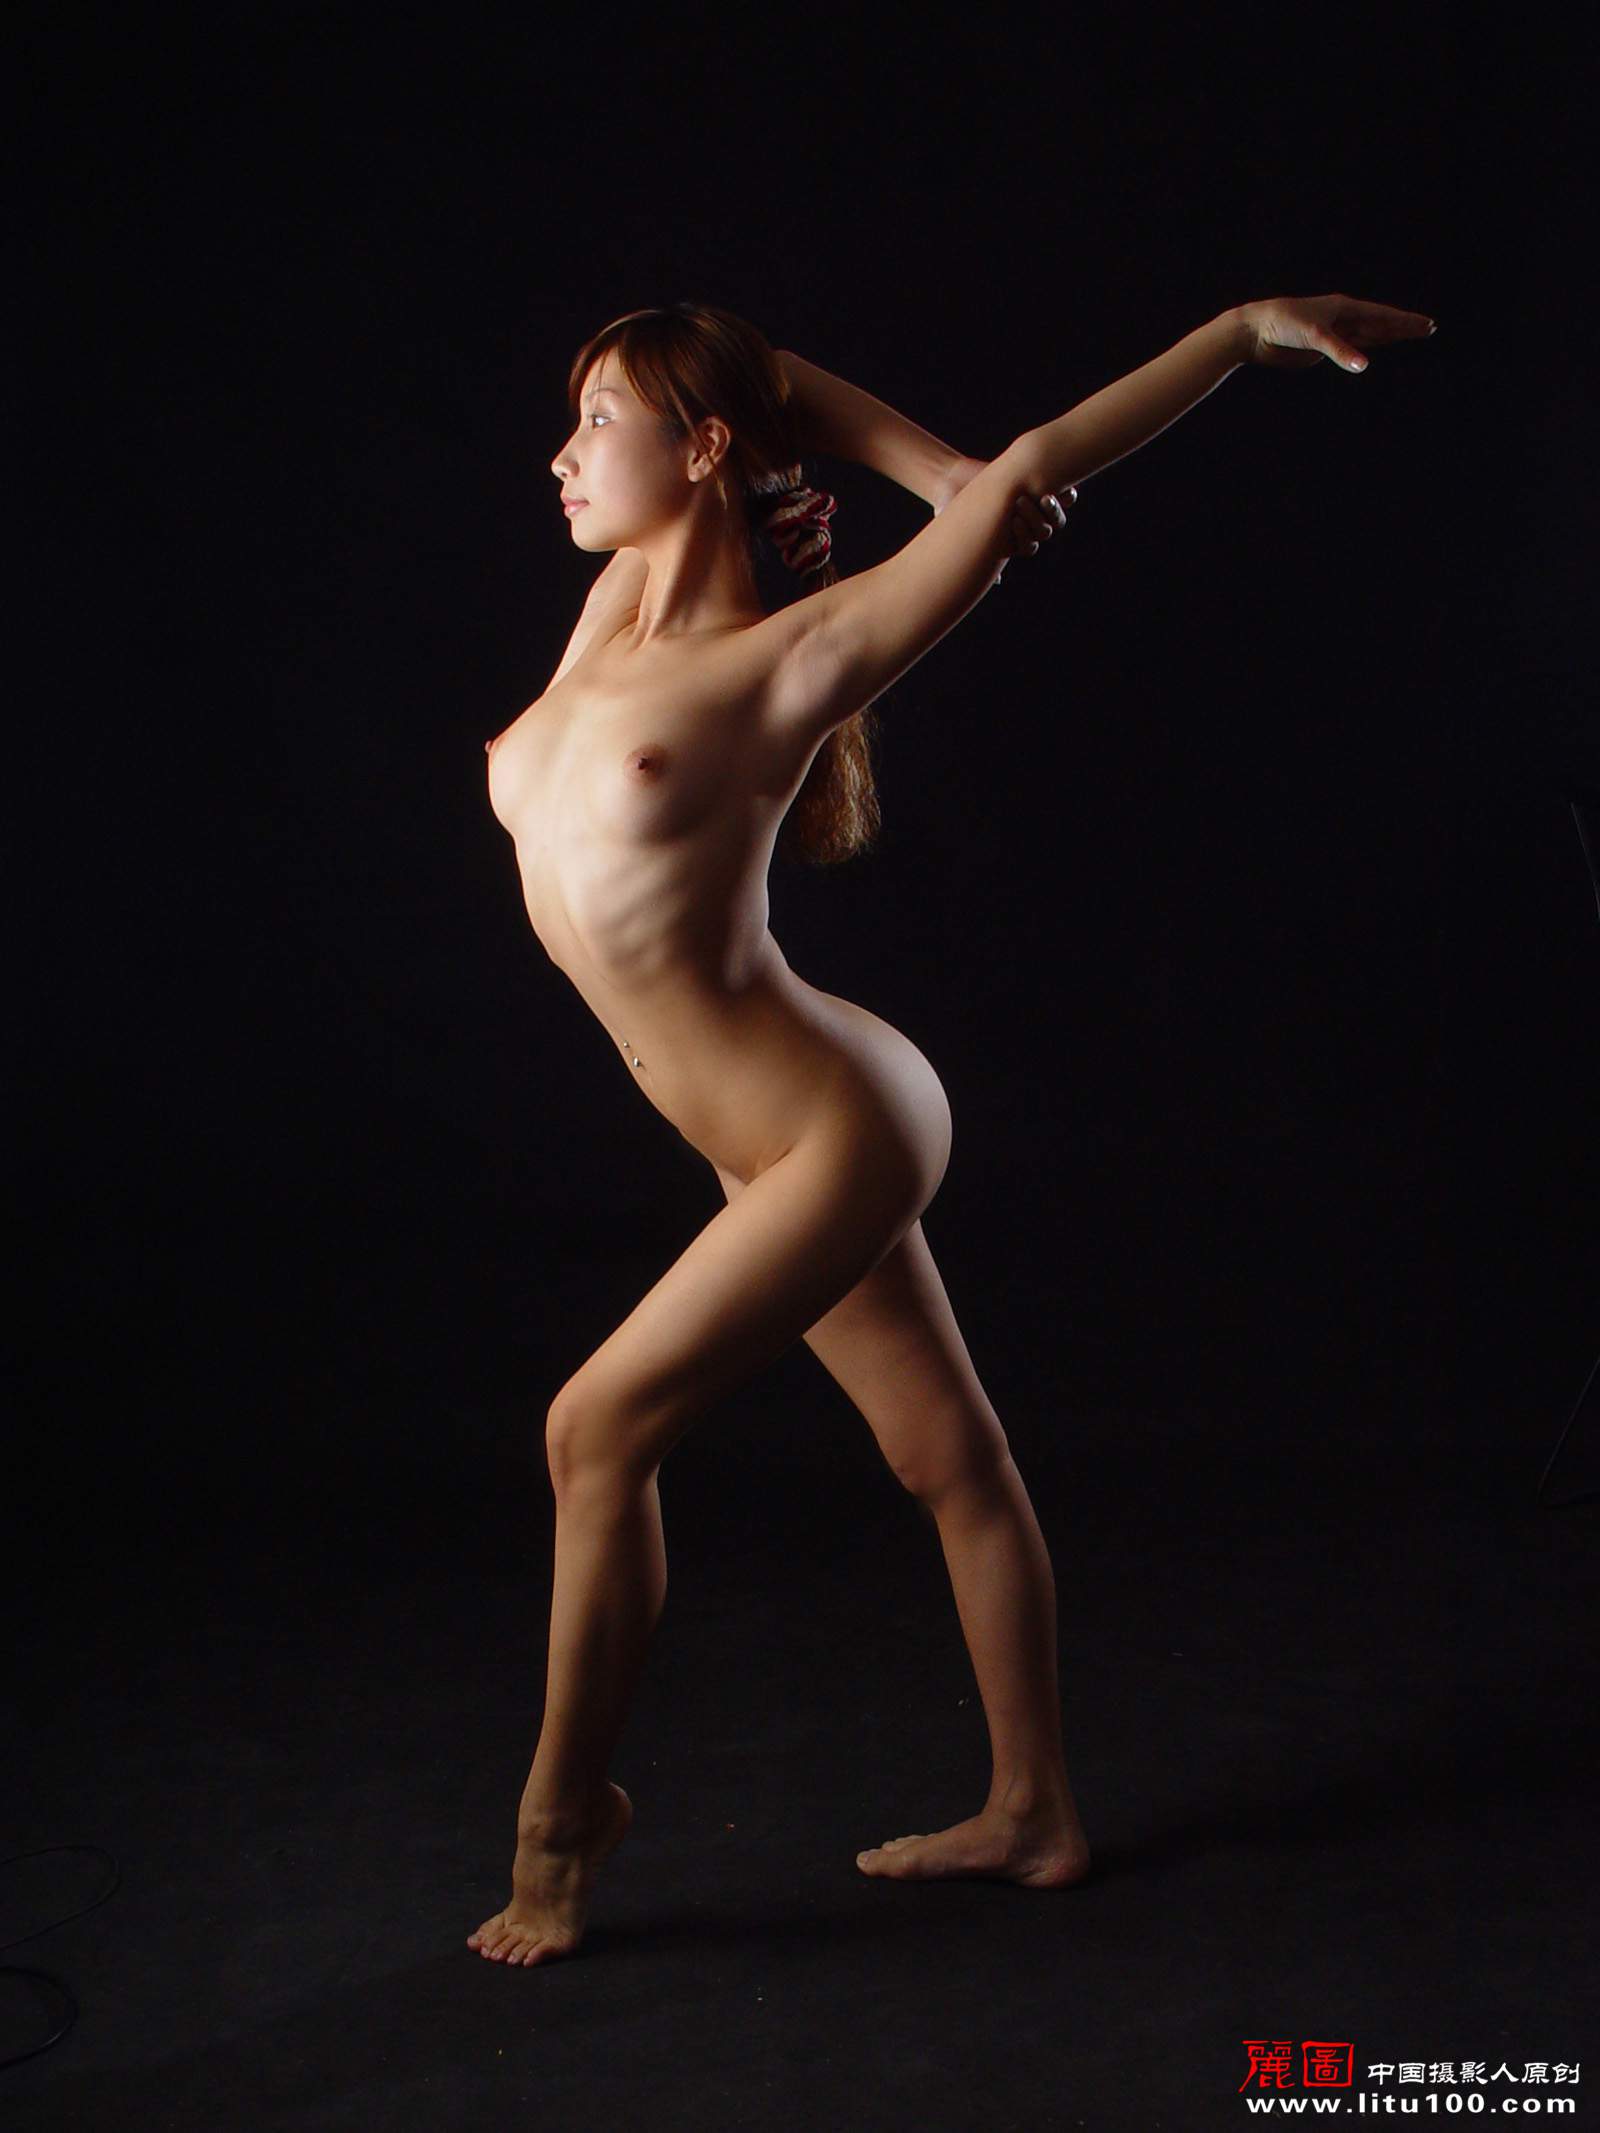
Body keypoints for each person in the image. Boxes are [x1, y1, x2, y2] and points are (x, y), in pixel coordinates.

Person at [468, 292, 1437, 1968]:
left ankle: (561, 1829)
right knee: (951, 1461)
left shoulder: (791, 657)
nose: (563, 454)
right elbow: (762, 375)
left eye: (600, 421)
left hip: (839, 1126)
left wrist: (1229, 338)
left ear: (699, 455)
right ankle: (1037, 1810)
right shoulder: (612, 615)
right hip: (758, 1142)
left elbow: (1027, 472)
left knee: (593, 1429)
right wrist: (920, 461)